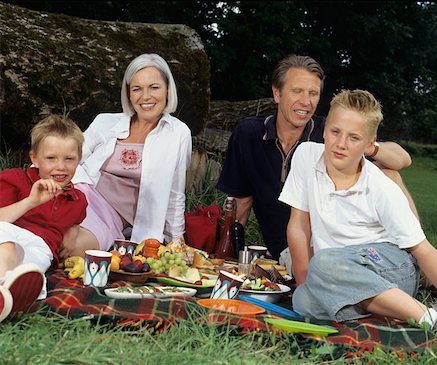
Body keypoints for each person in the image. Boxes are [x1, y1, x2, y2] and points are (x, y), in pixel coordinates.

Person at [217, 54, 415, 266]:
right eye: (297, 91)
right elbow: (240, 205)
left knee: (390, 174)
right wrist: (224, 257)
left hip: (339, 240)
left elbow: (402, 158)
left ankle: (415, 257)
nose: (306, 102)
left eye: (313, 93)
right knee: (332, 270)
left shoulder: (330, 133)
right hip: (292, 247)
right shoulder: (250, 134)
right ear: (277, 93)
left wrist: (368, 147)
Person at [279, 89, 437, 334]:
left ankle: (432, 320)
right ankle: (387, 314)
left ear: (370, 143)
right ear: (325, 128)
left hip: (391, 267)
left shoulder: (380, 187)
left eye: (354, 137)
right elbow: (298, 225)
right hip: (339, 273)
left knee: (323, 263)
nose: (340, 144)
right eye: (335, 131)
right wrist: (310, 284)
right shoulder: (306, 156)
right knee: (304, 301)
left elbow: (422, 249)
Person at [59, 53, 192, 258]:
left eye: (154, 87)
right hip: (78, 196)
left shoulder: (178, 133)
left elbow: (175, 193)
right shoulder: (105, 122)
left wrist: (177, 241)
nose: (145, 96)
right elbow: (68, 159)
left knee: (72, 249)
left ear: (167, 89)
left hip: (110, 217)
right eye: (137, 89)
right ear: (128, 93)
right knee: (33, 228)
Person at [0, 115, 87, 322]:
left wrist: (72, 232)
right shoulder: (15, 179)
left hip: (41, 247)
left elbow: (76, 220)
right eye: (51, 158)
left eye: (69, 159)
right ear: (34, 158)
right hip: (8, 232)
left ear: (79, 159)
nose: (61, 167)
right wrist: (31, 201)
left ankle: (10, 296)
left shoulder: (77, 199)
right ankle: (5, 290)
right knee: (8, 247)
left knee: (30, 274)